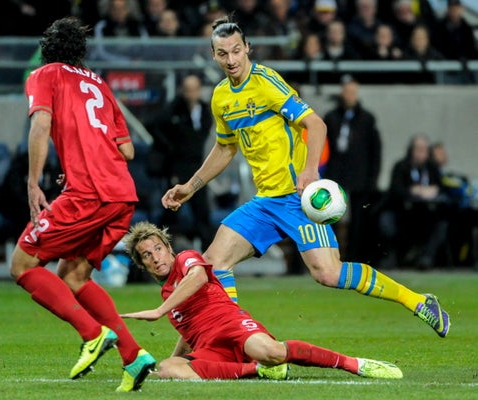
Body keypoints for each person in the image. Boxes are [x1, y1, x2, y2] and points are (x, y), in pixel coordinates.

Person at [161, 15, 450, 338]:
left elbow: (317, 125)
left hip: (298, 198)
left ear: (247, 49)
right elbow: (225, 148)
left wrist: (309, 171)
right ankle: (239, 340)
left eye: (236, 51)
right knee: (214, 263)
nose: (231, 60)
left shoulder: (266, 82)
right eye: (223, 53)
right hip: (265, 202)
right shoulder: (221, 97)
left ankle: (418, 301)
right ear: (213, 56)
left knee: (328, 273)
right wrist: (191, 186)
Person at [8, 17, 155, 393]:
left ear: (48, 49)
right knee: (73, 276)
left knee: (22, 264)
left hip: (89, 193)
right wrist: (78, 163)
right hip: (121, 195)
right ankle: (133, 354)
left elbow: (41, 124)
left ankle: (92, 334)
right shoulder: (99, 84)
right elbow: (127, 148)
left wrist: (33, 181)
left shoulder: (45, 75)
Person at [120, 221, 403, 382]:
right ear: (142, 264)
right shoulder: (167, 295)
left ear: (169, 248)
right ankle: (254, 372)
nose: (156, 257)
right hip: (211, 347)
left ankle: (353, 364)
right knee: (168, 368)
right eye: (147, 255)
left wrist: (159, 311)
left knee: (270, 351)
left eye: (158, 248)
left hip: (231, 325)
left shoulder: (185, 259)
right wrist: (178, 359)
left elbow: (199, 278)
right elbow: (188, 332)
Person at [147, 74, 215, 251]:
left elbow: (202, 134)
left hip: (198, 168)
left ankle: (211, 260)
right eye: (187, 90)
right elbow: (154, 125)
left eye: (194, 89)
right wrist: (171, 148)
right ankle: (155, 249)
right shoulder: (174, 109)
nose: (190, 93)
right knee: (171, 211)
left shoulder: (204, 110)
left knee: (202, 212)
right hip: (177, 168)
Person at [323, 76, 381, 261]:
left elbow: (375, 151)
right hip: (335, 174)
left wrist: (372, 179)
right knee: (330, 216)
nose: (350, 96)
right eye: (347, 92)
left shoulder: (367, 119)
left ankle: (355, 258)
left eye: (353, 92)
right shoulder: (331, 118)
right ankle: (330, 257)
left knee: (358, 221)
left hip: (359, 176)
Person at [379, 135, 451, 269]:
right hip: (402, 211)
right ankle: (391, 257)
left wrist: (433, 190)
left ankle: (426, 258)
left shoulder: (432, 168)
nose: (421, 153)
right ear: (411, 150)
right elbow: (396, 189)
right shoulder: (401, 166)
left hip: (426, 213)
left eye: (424, 149)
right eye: (418, 149)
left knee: (442, 223)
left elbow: (442, 188)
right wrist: (413, 190)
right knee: (386, 221)